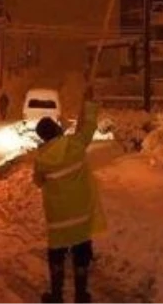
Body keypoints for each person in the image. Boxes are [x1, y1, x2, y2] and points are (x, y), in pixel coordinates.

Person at [33, 85, 105, 304]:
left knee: (56, 255)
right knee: (81, 254)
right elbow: (89, 126)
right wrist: (89, 103)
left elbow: (38, 182)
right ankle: (81, 295)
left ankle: (56, 296)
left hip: (58, 221)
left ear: (43, 138)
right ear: (57, 130)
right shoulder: (75, 145)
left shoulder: (41, 160)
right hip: (81, 215)